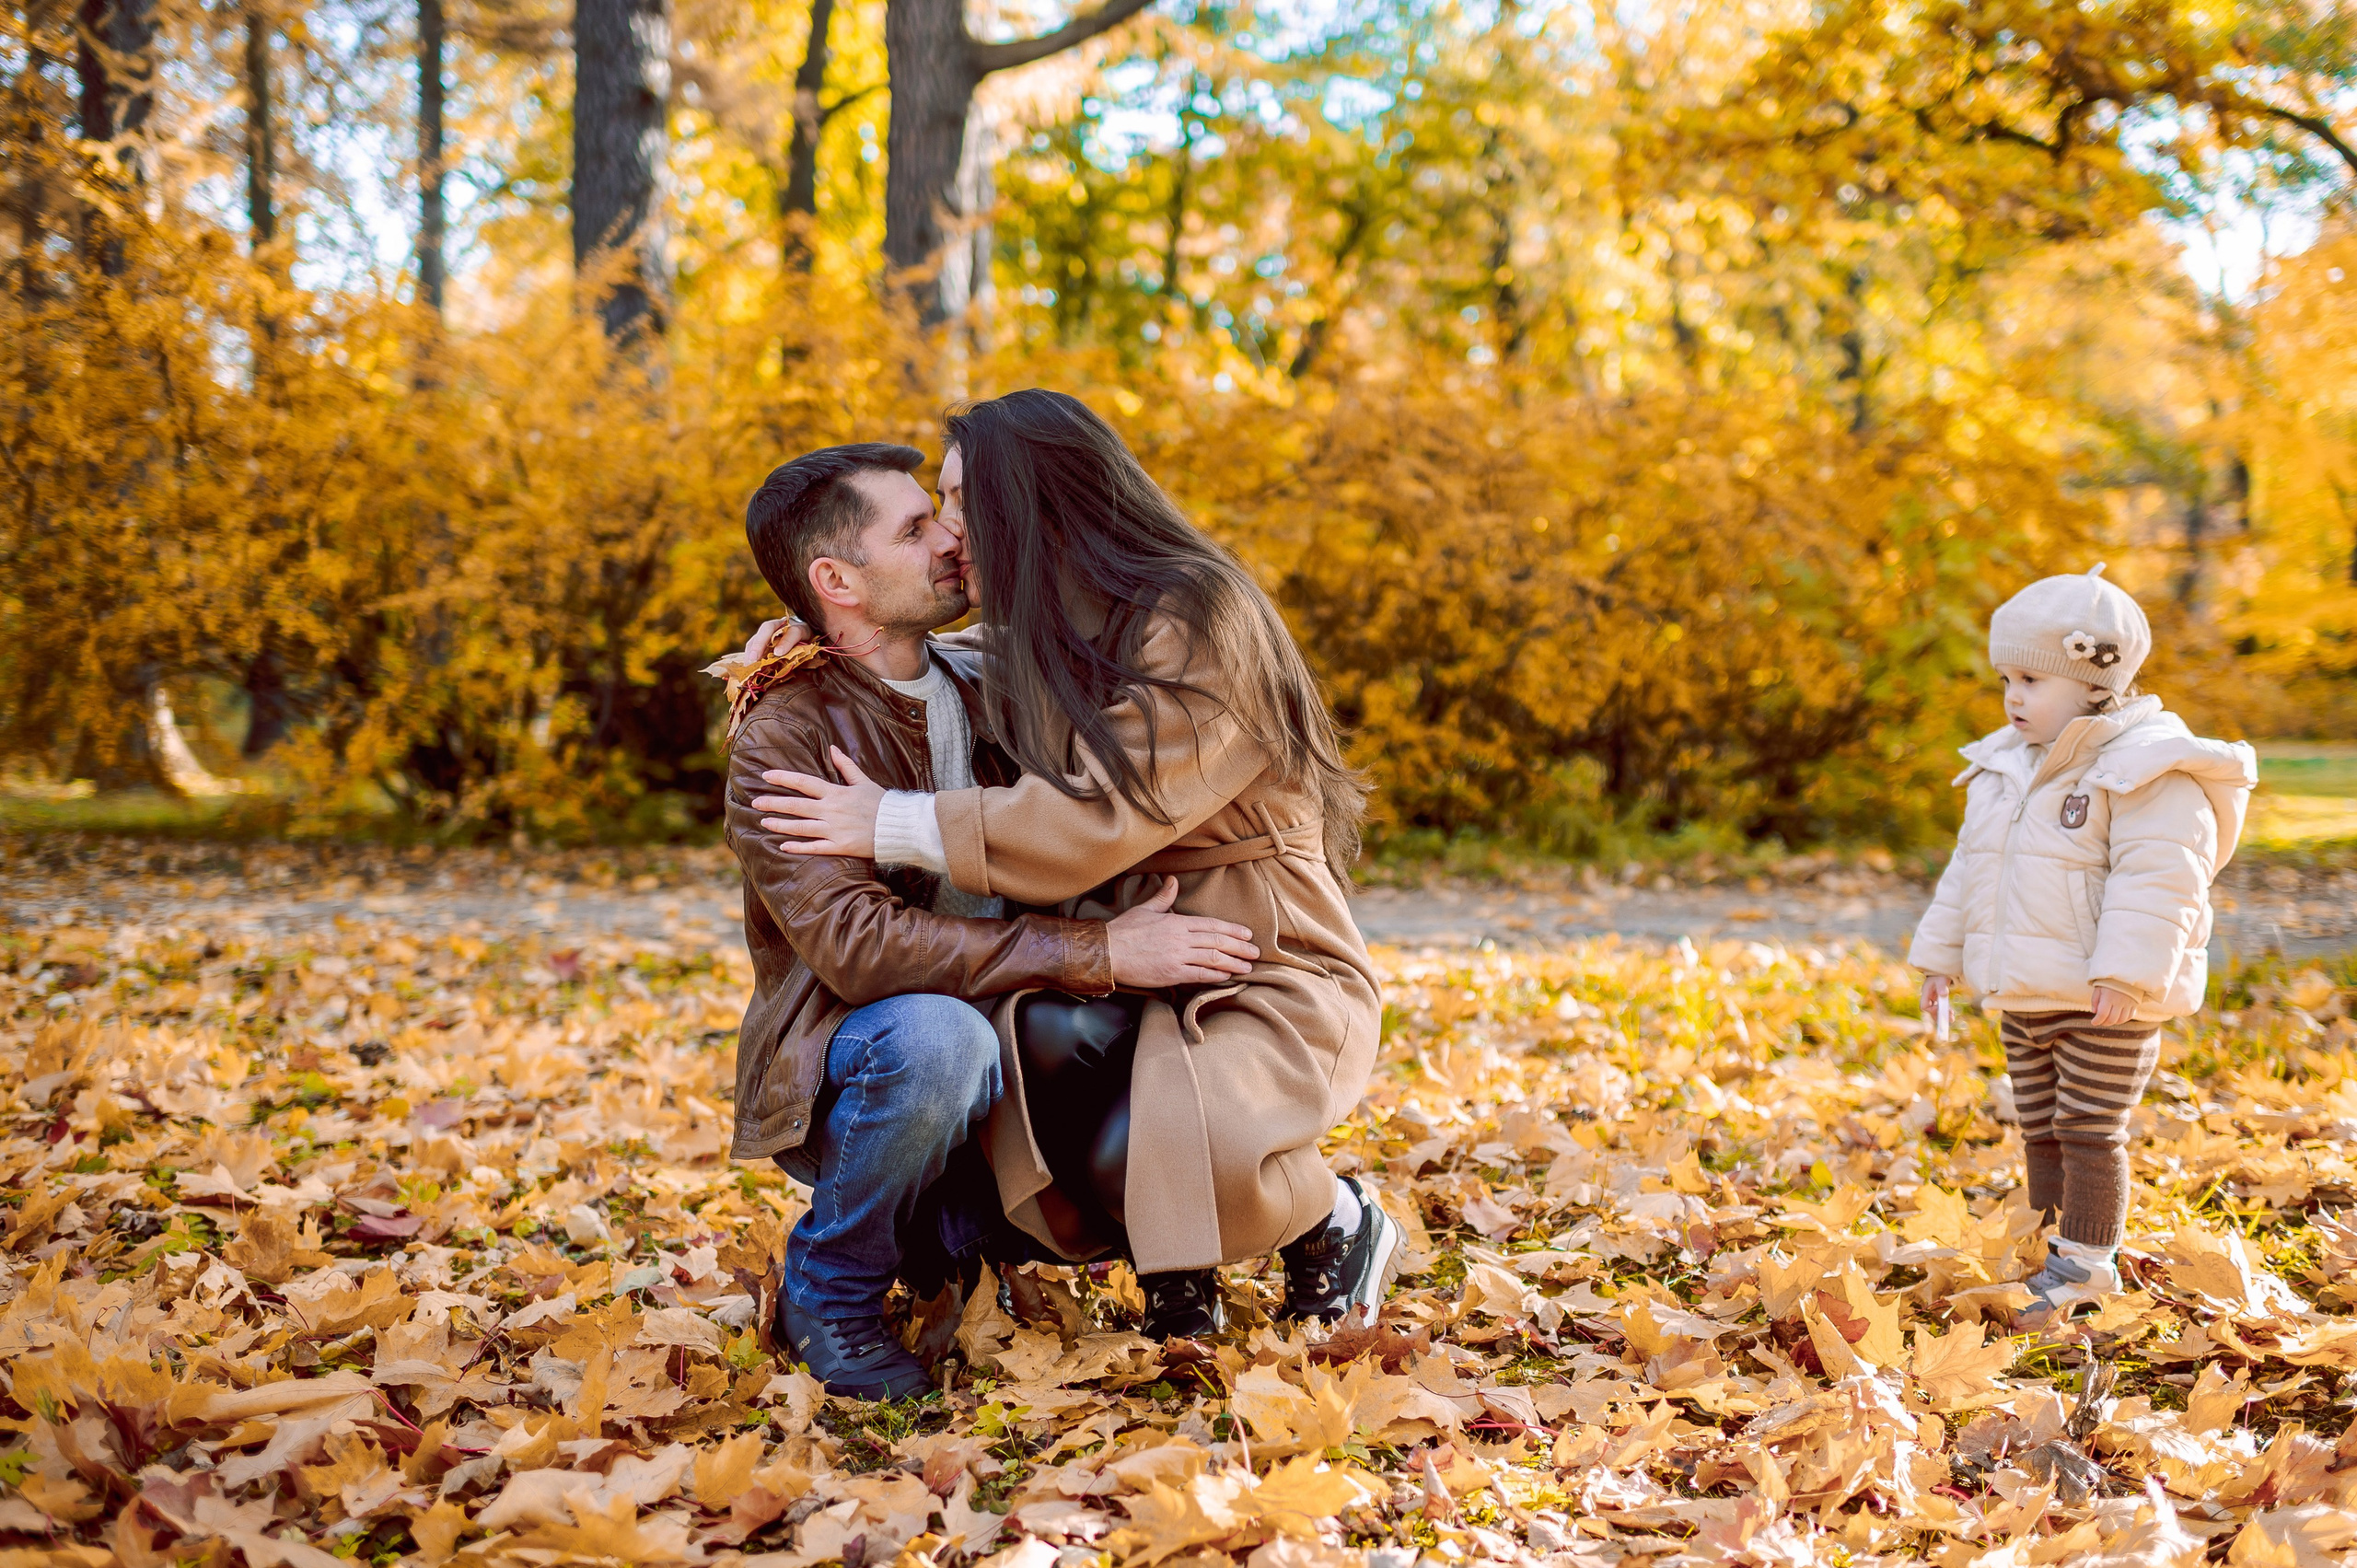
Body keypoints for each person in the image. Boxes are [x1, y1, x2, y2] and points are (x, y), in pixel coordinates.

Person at [749, 390, 1400, 1339]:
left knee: (1168, 1135)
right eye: (929, 511)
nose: (949, 531)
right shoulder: (1048, 629)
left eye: (960, 501)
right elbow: (907, 645)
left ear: (1031, 497)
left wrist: (886, 820)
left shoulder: (1201, 613)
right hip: (1132, 946)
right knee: (1038, 1072)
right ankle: (1172, 1262)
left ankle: (1336, 1217)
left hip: (1253, 946)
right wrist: (803, 644)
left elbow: (1103, 812)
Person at [724, 441, 1264, 1399]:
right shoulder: (786, 732)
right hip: (864, 1059)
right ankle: (830, 1288)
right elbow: (859, 948)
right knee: (941, 1038)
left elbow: (1129, 667)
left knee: (1174, 996)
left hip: (1012, 1041)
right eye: (916, 526)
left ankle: (1009, 1246)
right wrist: (1095, 953)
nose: (951, 537)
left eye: (940, 512)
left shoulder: (984, 675)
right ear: (836, 579)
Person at [1910, 564, 2255, 1326]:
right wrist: (1940, 958)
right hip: (2026, 992)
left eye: (2031, 678)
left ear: (2095, 683)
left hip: (2106, 1002)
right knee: (2039, 1126)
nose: (2012, 696)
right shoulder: (2006, 766)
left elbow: (2161, 878)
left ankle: (2087, 1266)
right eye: (2006, 677)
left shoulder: (2146, 768)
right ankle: (2048, 1244)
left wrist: (2127, 975)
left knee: (2089, 1129)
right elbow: (1971, 869)